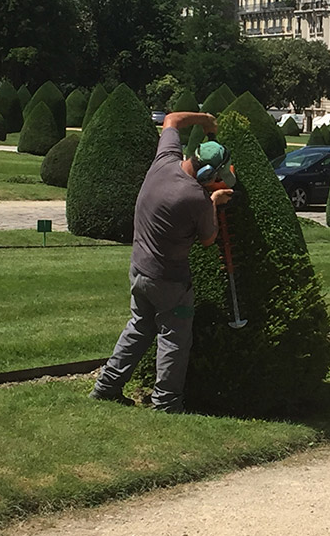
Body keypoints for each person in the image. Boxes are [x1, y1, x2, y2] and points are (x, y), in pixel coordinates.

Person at [91, 111, 234, 413]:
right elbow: (208, 240)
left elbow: (171, 120)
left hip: (139, 270)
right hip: (169, 281)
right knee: (174, 339)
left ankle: (106, 387)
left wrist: (205, 119)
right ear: (208, 173)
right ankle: (166, 404)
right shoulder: (195, 198)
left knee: (139, 328)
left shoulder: (164, 162)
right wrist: (213, 201)